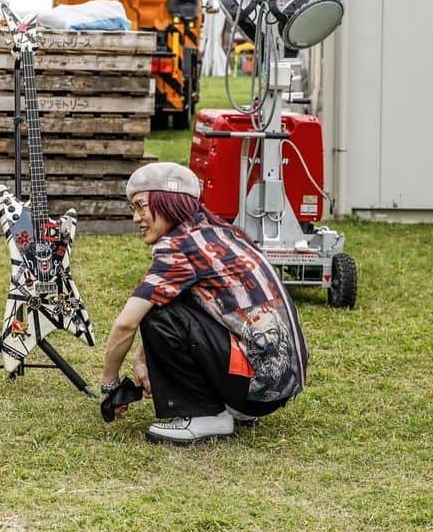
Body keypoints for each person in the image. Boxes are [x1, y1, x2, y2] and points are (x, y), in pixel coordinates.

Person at [101, 162, 308, 445]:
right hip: (277, 384)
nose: (136, 218)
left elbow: (127, 323)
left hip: (255, 387)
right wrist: (143, 357)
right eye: (133, 209)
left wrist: (109, 383)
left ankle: (204, 414)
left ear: (168, 202)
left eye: (141, 206)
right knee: (163, 306)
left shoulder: (178, 246)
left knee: (156, 316)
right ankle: (233, 409)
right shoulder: (221, 232)